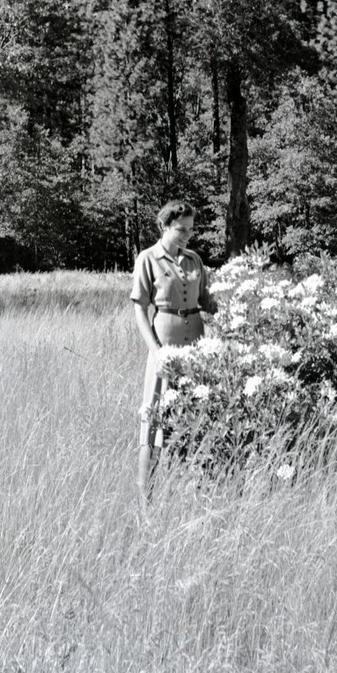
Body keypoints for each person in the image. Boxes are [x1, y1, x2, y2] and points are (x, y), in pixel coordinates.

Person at [130, 200, 217, 498]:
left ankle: (191, 493)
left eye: (190, 230)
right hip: (164, 343)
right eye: (181, 230)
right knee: (154, 424)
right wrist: (155, 351)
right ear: (165, 226)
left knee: (194, 418)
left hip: (196, 344)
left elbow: (208, 301)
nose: (187, 236)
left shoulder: (195, 260)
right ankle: (146, 501)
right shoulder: (148, 258)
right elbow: (140, 309)